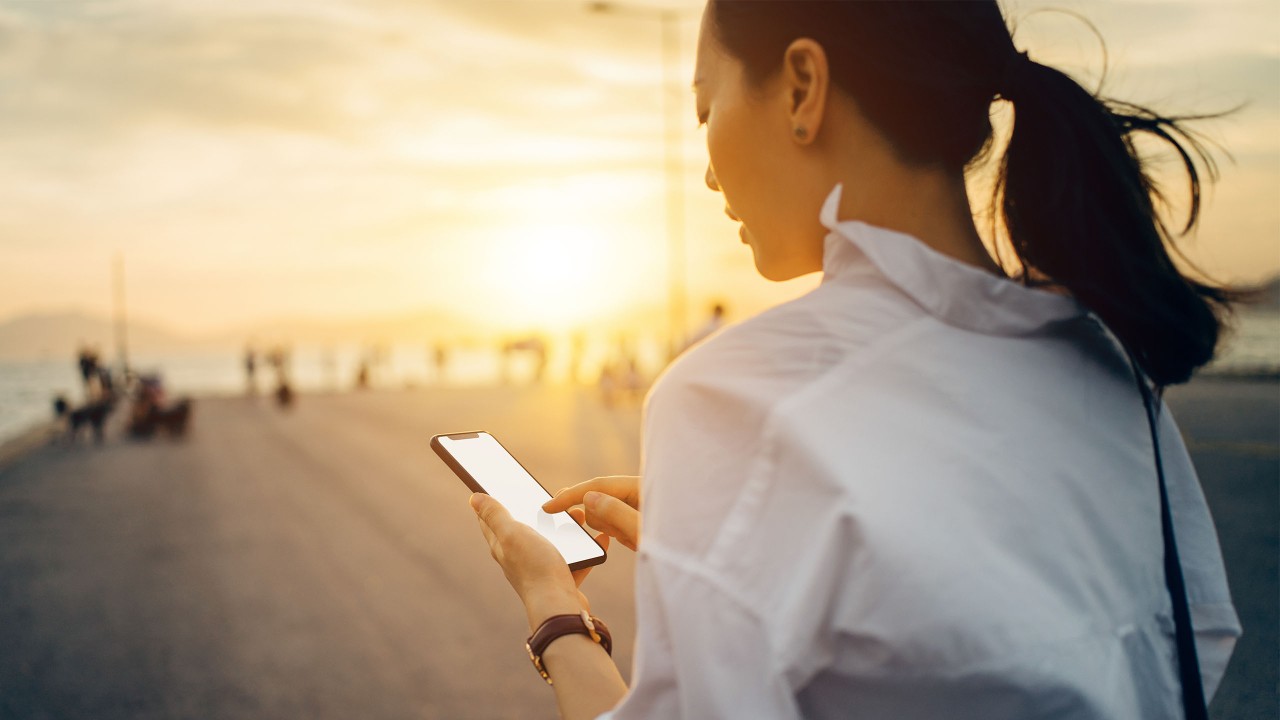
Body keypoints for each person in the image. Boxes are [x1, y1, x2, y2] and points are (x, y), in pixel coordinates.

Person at [467, 2, 1242, 718]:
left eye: (706, 110)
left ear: (803, 86)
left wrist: (555, 610)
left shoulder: (735, 399)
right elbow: (1175, 653)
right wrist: (750, 534)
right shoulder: (1108, 365)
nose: (707, 171)